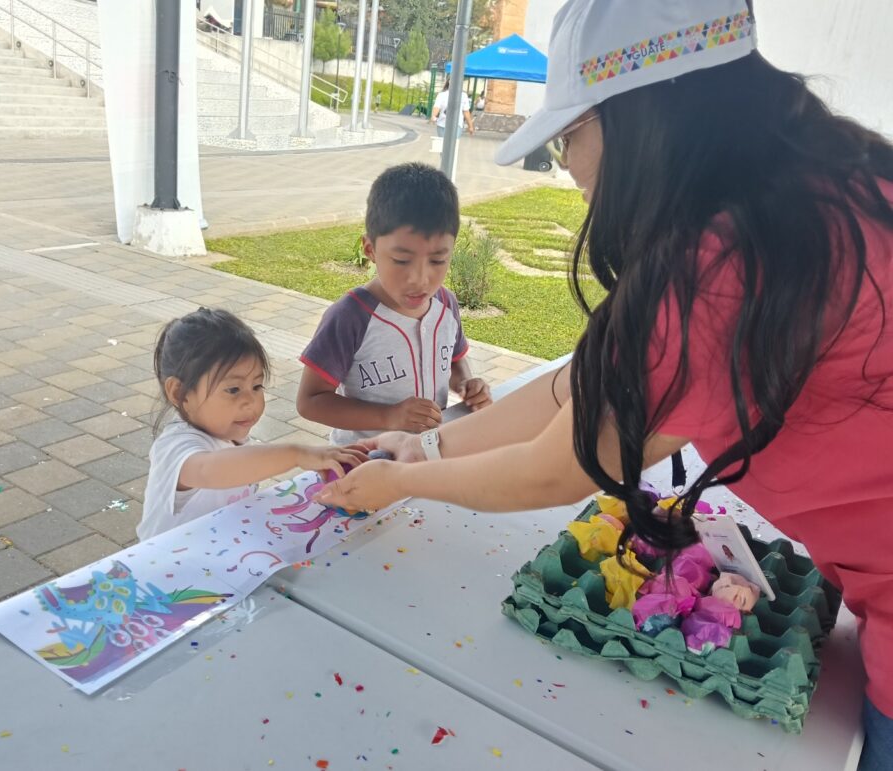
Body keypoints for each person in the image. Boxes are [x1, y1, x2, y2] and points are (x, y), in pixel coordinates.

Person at [316, 1, 893, 766]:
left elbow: (555, 465)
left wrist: (402, 483)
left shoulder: (719, 265)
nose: (566, 166)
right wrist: (424, 444)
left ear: (640, 117)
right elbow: (579, 389)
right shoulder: (828, 182)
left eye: (568, 136)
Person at [297, 163, 491, 445]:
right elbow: (310, 401)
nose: (420, 279)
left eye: (438, 260)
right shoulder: (349, 318)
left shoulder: (446, 305)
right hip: (362, 463)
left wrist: (465, 384)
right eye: (401, 260)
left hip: (425, 454)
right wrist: (388, 416)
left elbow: (455, 359)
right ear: (370, 250)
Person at [138, 308, 365, 540]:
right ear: (180, 393)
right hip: (166, 568)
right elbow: (208, 471)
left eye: (257, 387)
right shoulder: (176, 445)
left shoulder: (230, 436)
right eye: (233, 389)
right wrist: (296, 454)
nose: (251, 401)